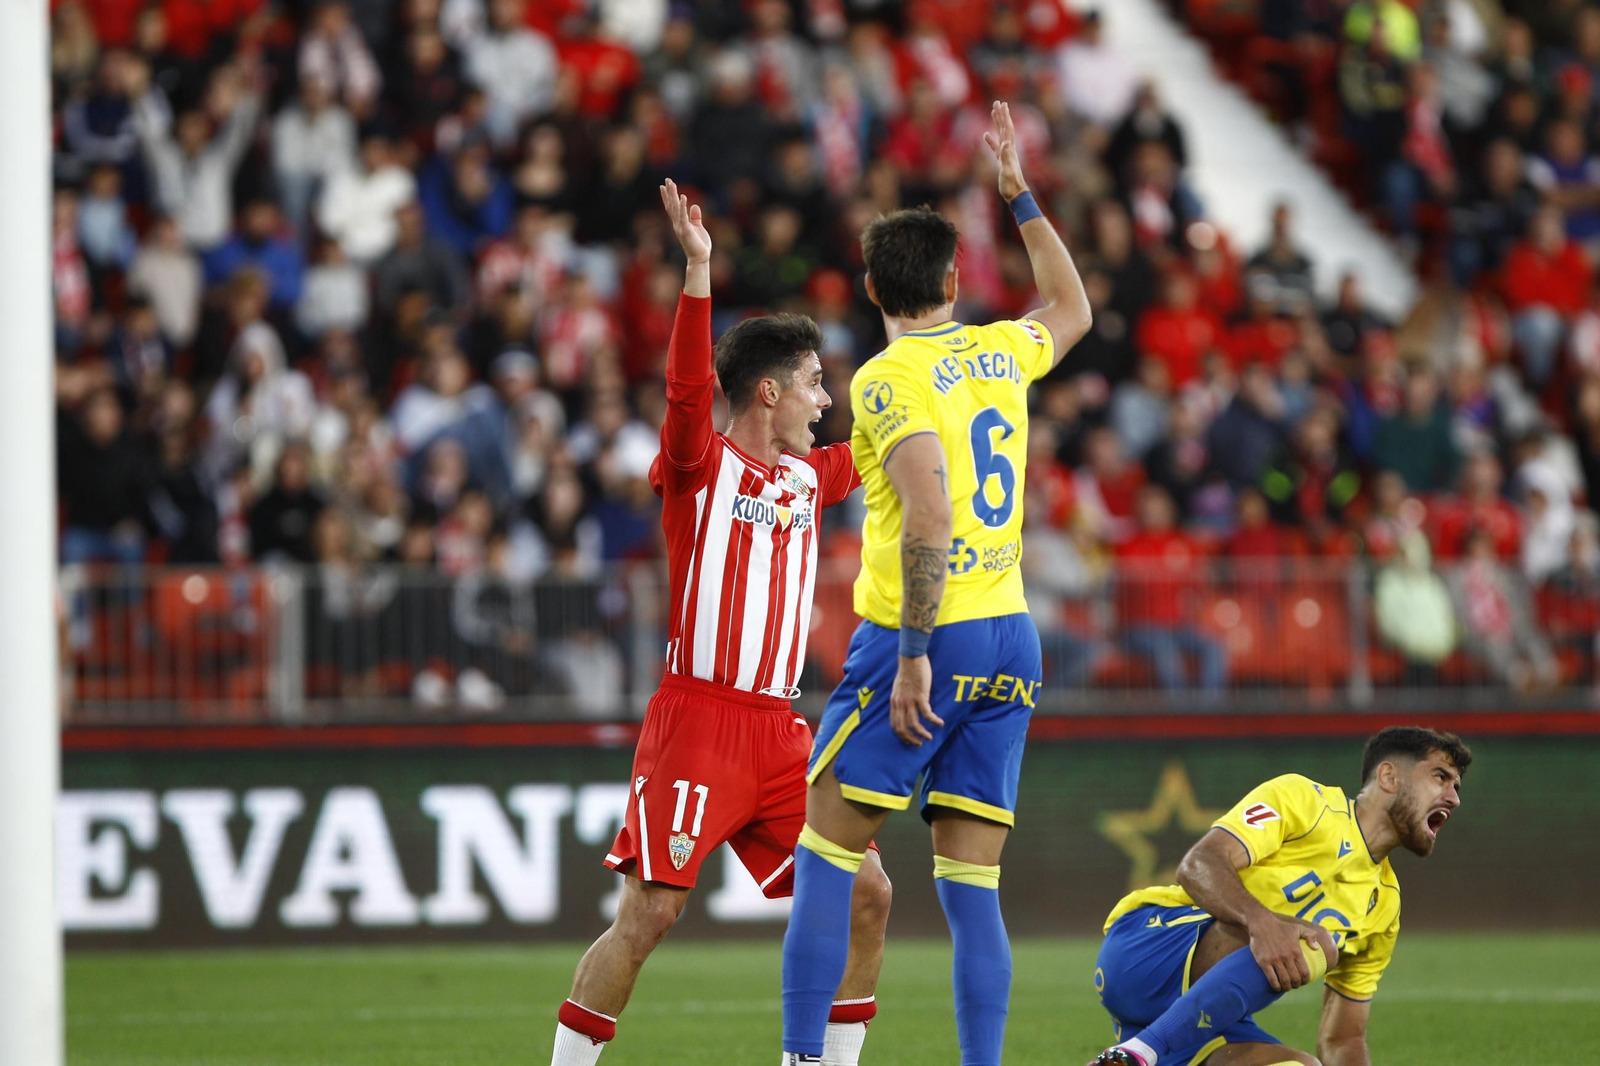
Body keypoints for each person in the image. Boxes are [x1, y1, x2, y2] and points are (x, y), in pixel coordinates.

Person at [549, 181, 890, 1066]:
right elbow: (686, 389)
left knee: (866, 892)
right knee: (651, 913)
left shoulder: (810, 478)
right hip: (697, 721)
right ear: (768, 391)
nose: (826, 400)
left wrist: (954, 359)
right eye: (814, 384)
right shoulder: (699, 467)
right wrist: (698, 272)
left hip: (779, 732)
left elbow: (894, 432)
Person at [781, 101, 1093, 1066]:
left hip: (929, 636)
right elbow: (1074, 308)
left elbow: (927, 513)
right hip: (1011, 635)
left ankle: (800, 1058)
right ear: (955, 282)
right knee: (972, 889)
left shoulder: (886, 379)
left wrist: (913, 652)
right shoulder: (999, 348)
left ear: (872, 287)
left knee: (825, 852)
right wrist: (1020, 195)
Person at [1087, 726, 1472, 1066]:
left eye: (1456, 786)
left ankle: (1140, 1053)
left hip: (1206, 1019)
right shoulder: (1306, 801)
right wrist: (1262, 923)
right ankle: (1139, 1055)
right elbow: (1199, 864)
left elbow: (1342, 1040)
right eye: (1440, 777)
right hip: (1147, 950)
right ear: (1388, 776)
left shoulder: (1384, 907)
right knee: (1315, 942)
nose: (1453, 797)